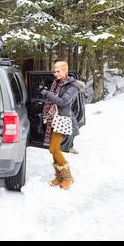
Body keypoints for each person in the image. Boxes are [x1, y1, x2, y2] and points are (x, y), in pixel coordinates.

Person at [39, 61, 85, 190]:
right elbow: (54, 97)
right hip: (53, 118)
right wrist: (47, 91)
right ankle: (59, 177)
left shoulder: (73, 86)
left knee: (54, 149)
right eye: (54, 71)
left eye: (58, 71)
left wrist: (47, 94)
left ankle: (68, 177)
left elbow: (64, 102)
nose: (56, 74)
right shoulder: (57, 83)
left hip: (62, 119)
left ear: (65, 71)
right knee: (52, 149)